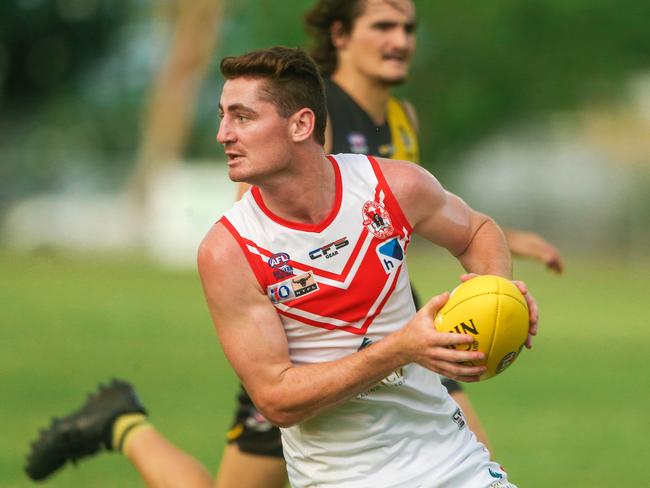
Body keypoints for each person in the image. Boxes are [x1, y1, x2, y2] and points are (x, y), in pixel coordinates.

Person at [25, 46, 538, 487]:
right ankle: (125, 426)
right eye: (223, 115)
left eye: (243, 117)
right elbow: (276, 399)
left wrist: (497, 296)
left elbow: (476, 231)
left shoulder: (393, 187)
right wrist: (400, 349)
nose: (223, 133)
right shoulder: (229, 252)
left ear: (301, 124)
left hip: (454, 463)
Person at [217, 1, 561, 487]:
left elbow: (443, 216)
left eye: (407, 28)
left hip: (400, 323)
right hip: (307, 342)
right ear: (340, 35)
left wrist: (495, 297)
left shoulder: (402, 122)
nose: (400, 40)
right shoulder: (316, 114)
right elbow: (269, 231)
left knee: (469, 450)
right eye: (383, 26)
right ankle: (125, 426)